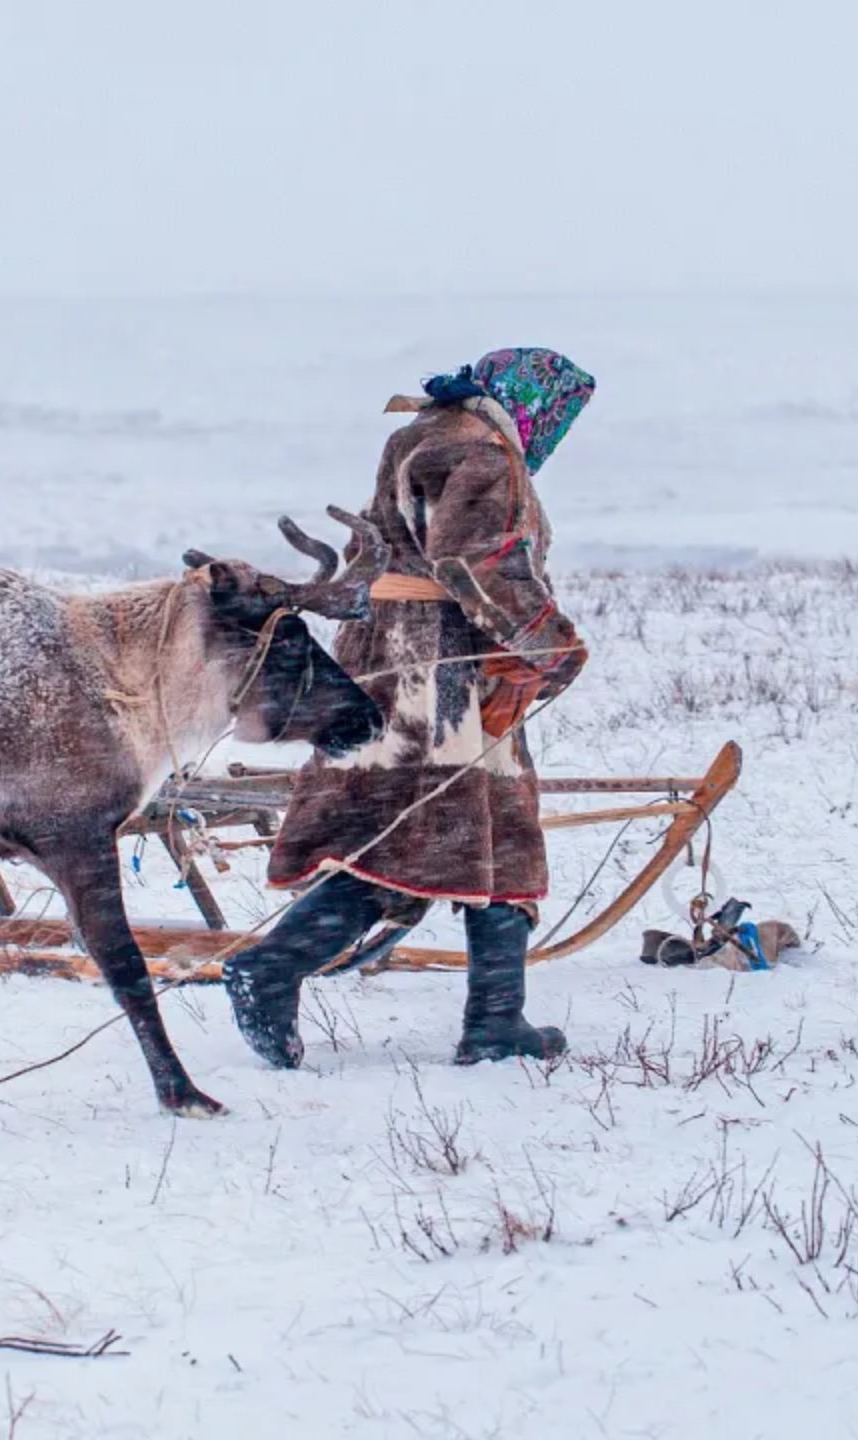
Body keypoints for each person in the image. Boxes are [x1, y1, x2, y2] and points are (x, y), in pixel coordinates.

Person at [224, 347, 595, 1069]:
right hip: (443, 675)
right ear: (533, 404)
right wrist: (555, 647)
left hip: (392, 655)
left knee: (477, 834)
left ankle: (496, 1023)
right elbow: (476, 564)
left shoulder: (423, 436)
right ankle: (271, 968)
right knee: (410, 843)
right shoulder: (485, 453)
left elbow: (380, 559)